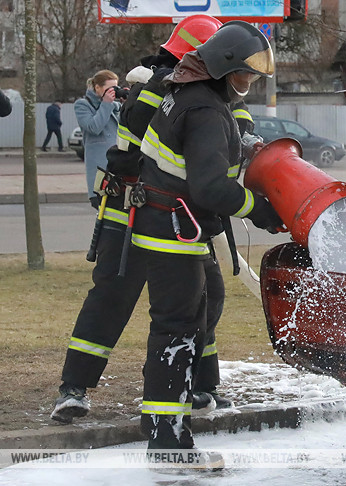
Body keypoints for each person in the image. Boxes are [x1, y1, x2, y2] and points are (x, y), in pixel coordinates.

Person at [50, 15, 227, 426]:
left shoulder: (205, 93)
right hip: (131, 211)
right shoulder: (157, 89)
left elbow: (233, 130)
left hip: (180, 218)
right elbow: (137, 146)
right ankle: (73, 389)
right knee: (111, 298)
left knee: (204, 297)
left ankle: (201, 385)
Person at [133, 20, 282, 465]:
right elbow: (212, 189)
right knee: (177, 332)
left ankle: (162, 427)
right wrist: (261, 208)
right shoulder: (206, 112)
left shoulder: (185, 91)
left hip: (167, 225)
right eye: (244, 75)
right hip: (174, 231)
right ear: (221, 67)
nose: (248, 85)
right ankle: (168, 442)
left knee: (182, 324)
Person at [74, 70, 120, 207]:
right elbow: (94, 127)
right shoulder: (82, 105)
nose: (113, 92)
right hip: (100, 170)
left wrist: (127, 103)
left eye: (115, 88)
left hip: (118, 167)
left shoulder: (115, 106)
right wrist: (106, 104)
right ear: (97, 88)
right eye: (109, 89)